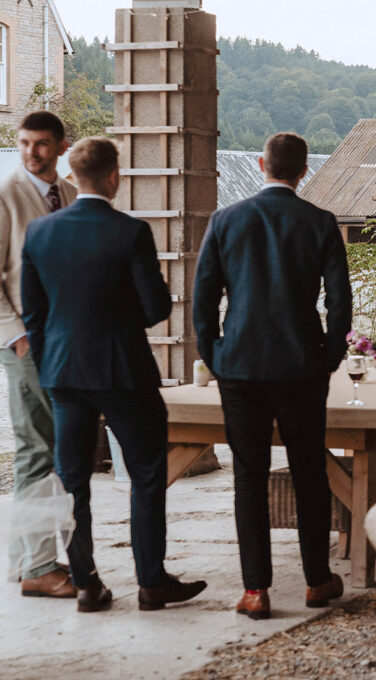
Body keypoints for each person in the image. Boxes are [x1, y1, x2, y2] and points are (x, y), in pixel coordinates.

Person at [21, 137, 206, 613]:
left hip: (63, 373)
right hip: (123, 369)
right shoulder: (130, 231)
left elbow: (35, 315)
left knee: (72, 479)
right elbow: (155, 307)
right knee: (146, 473)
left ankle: (86, 583)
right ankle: (151, 581)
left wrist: (50, 367)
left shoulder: (40, 234)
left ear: (73, 174)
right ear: (113, 176)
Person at [193, 132, 353, 620]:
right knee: (308, 472)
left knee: (248, 475)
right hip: (302, 363)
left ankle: (256, 590)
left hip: (239, 365)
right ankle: (316, 580)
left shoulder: (225, 220)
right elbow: (340, 301)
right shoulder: (321, 223)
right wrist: (328, 356)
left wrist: (215, 355)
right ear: (303, 170)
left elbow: (202, 300)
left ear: (262, 164)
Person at [0, 111, 77, 598]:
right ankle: (38, 567)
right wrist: (17, 335)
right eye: (25, 143)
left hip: (66, 342)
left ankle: (32, 556)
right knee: (33, 450)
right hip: (24, 343)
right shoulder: (5, 195)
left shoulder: (70, 197)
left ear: (61, 146)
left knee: (58, 450)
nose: (32, 152)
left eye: (42, 143)